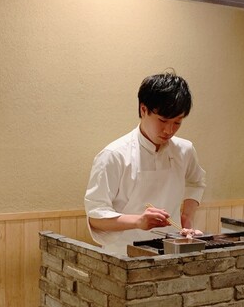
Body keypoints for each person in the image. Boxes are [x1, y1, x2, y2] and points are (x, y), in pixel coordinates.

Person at [84, 71, 206, 255]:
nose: (169, 130)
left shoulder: (185, 150)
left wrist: (186, 220)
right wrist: (139, 221)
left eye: (177, 123)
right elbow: (95, 217)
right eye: (163, 120)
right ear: (143, 110)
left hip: (170, 252)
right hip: (123, 254)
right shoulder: (114, 155)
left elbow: (196, 182)